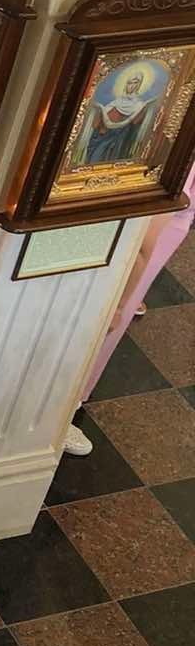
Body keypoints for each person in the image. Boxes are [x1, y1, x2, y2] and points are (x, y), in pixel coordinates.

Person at [67, 162, 195, 457]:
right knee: (105, 317)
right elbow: (140, 249)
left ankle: (68, 403)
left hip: (169, 211)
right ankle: (60, 412)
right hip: (156, 208)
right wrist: (120, 303)